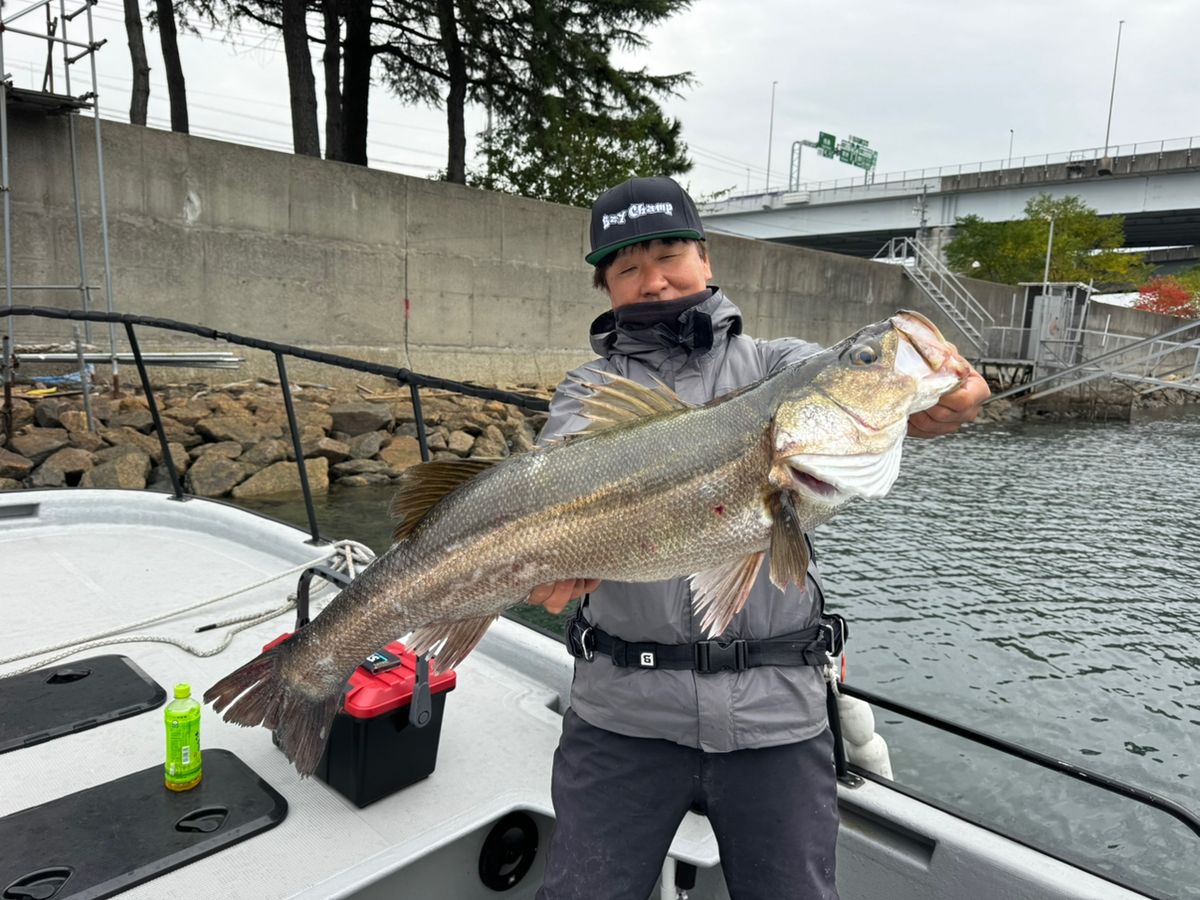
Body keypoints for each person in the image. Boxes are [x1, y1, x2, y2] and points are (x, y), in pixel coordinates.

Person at [529, 176, 990, 899]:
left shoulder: (781, 367)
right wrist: (553, 556)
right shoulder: (590, 391)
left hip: (777, 719)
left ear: (706, 261)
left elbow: (850, 388)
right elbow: (561, 470)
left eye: (670, 253)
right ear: (606, 288)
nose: (654, 279)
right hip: (622, 720)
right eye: (628, 267)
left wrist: (939, 396)